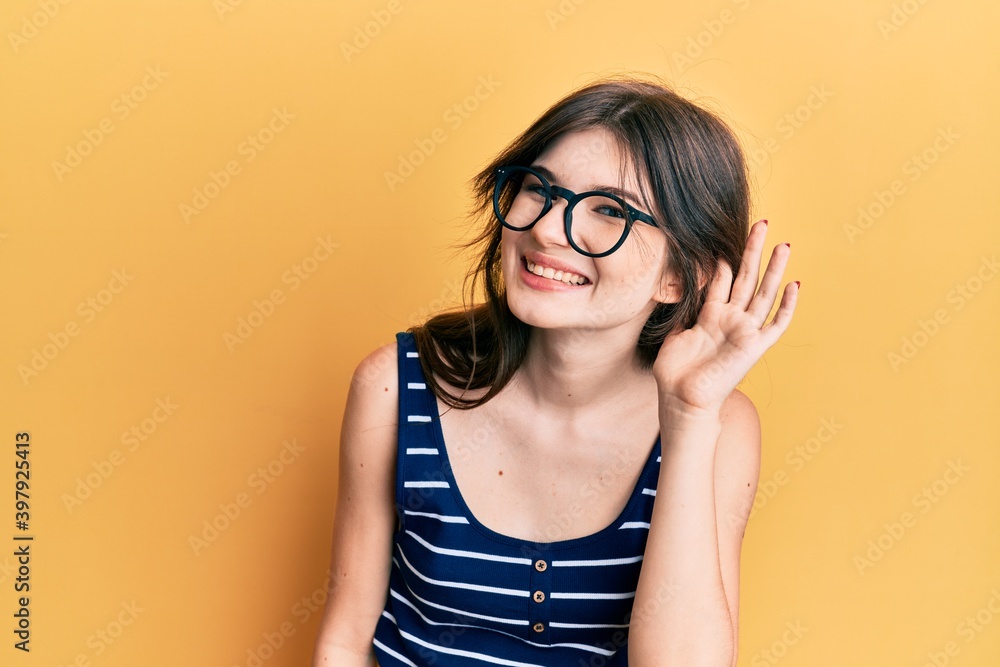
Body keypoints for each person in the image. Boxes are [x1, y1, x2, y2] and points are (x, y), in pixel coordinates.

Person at [312, 74, 799, 667]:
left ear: (680, 276)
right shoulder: (394, 386)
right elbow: (345, 643)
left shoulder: (719, 424)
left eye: (610, 210)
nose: (544, 228)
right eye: (538, 188)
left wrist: (689, 420)